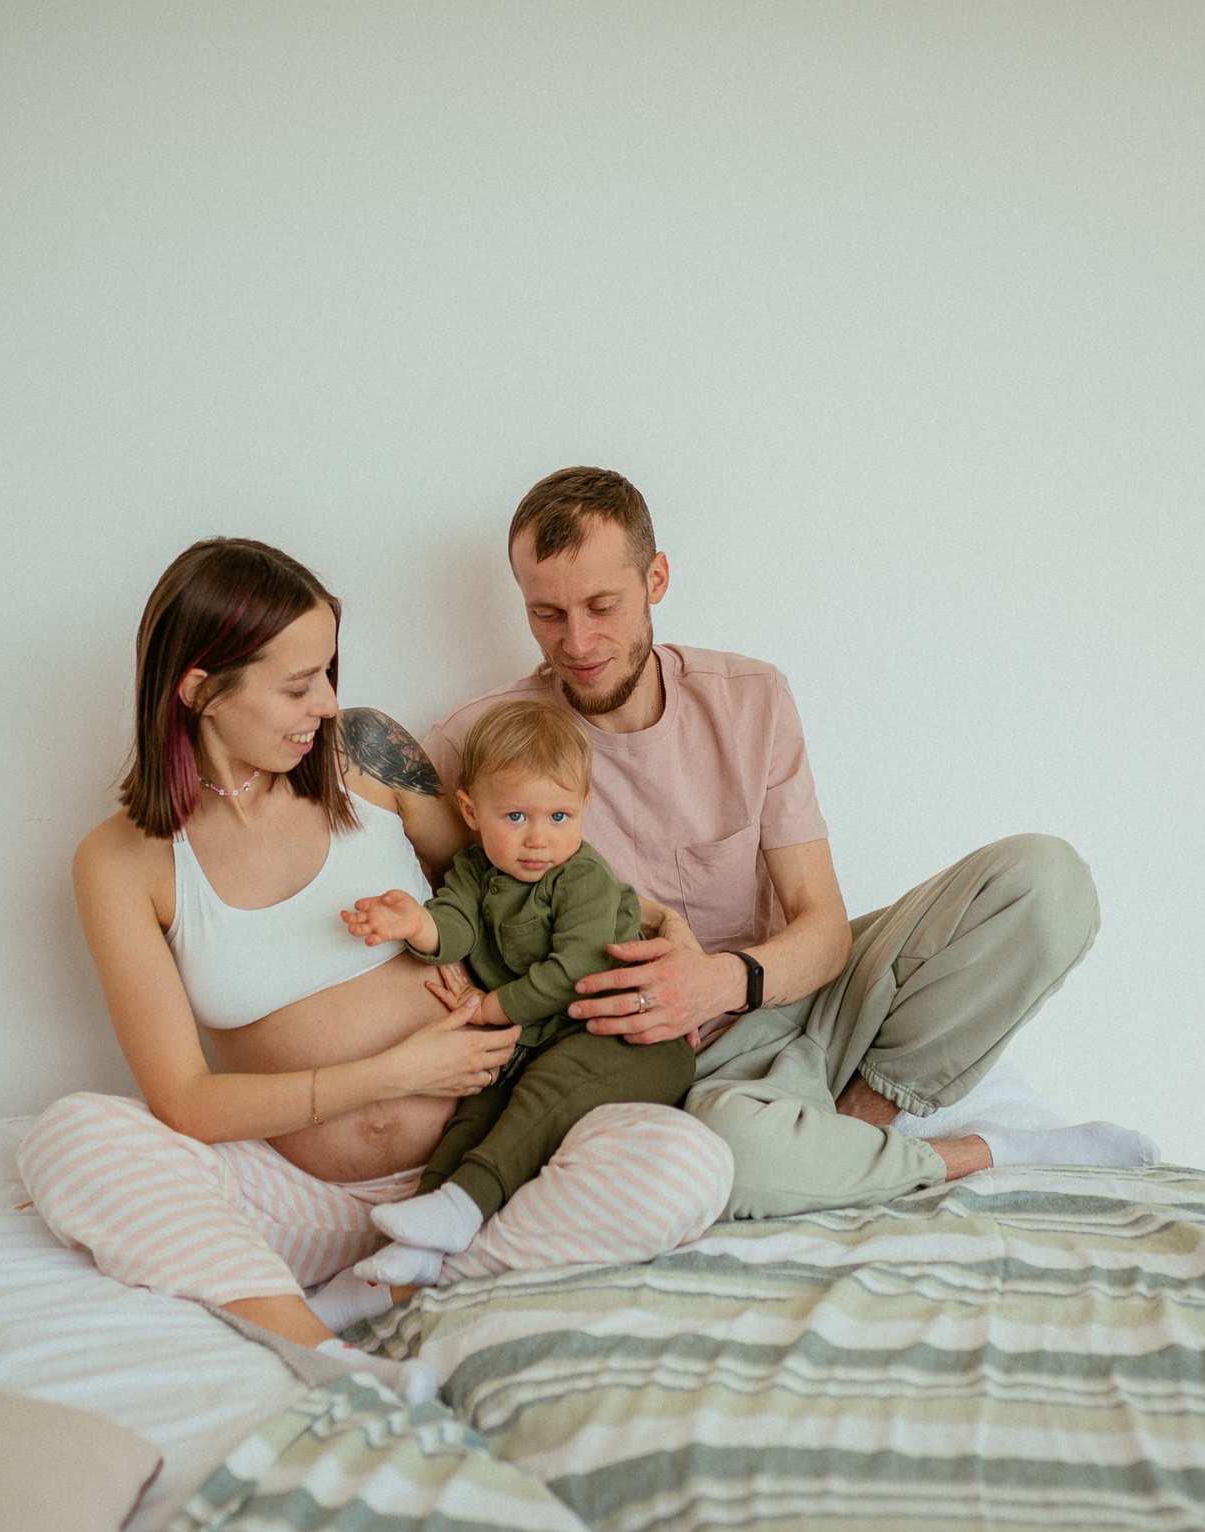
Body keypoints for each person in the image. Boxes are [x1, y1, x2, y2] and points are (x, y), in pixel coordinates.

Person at [18, 536, 735, 1400]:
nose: (327, 703)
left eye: (328, 672)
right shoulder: (122, 861)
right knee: (72, 1137)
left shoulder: (365, 758)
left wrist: (663, 924)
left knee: (688, 1162)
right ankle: (324, 1346)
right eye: (297, 686)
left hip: (483, 1158)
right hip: (303, 1197)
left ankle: (408, 1274)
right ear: (199, 689)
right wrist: (395, 1073)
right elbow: (186, 1101)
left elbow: (522, 874)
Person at [426, 469, 1153, 1221]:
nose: (576, 643)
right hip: (677, 1074)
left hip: (796, 1000)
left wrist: (718, 981)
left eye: (601, 606)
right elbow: (439, 910)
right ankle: (978, 1153)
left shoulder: (751, 697)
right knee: (731, 1163)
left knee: (1047, 882)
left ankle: (854, 1125)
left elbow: (824, 928)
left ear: (656, 579)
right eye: (546, 614)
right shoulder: (480, 742)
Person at [338, 700, 696, 1286]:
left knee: (546, 1090)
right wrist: (416, 924)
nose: (538, 839)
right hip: (536, 1038)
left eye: (559, 816)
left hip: (627, 1038)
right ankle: (415, 1243)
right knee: (476, 1108)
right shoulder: (474, 872)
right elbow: (456, 924)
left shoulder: (582, 876)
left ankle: (464, 1206)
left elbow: (578, 966)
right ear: (471, 812)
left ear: (584, 807)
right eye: (514, 817)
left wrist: (491, 1008)